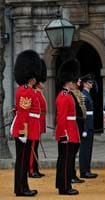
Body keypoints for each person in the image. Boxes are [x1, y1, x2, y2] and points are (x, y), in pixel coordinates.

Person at [11, 49, 42, 196]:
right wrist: (23, 133)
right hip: (24, 130)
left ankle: (22, 187)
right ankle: (21, 189)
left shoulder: (25, 89)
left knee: (22, 161)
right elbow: (23, 114)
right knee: (22, 161)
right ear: (31, 77)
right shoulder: (25, 91)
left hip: (28, 129)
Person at [55, 59, 80, 195]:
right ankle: (64, 187)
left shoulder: (67, 94)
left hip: (70, 130)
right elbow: (62, 118)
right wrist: (63, 134)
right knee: (65, 161)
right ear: (68, 81)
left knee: (66, 160)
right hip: (67, 132)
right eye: (72, 81)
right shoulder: (64, 96)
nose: (74, 83)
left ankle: (63, 184)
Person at [28, 59, 47, 178]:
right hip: (34, 124)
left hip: (39, 123)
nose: (43, 83)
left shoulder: (38, 93)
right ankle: (31, 170)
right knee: (32, 148)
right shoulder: (34, 93)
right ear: (37, 83)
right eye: (41, 82)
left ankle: (35, 168)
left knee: (35, 147)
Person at [79, 74, 98, 179]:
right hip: (86, 124)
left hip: (90, 124)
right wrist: (84, 128)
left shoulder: (87, 94)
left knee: (89, 148)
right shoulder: (83, 95)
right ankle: (84, 171)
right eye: (90, 82)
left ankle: (87, 169)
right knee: (84, 149)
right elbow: (83, 114)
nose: (91, 84)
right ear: (85, 84)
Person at [70, 77, 86, 184]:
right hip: (75, 124)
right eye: (78, 80)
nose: (79, 82)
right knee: (72, 152)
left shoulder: (77, 93)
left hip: (79, 124)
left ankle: (72, 174)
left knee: (74, 151)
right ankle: (71, 175)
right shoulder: (71, 94)